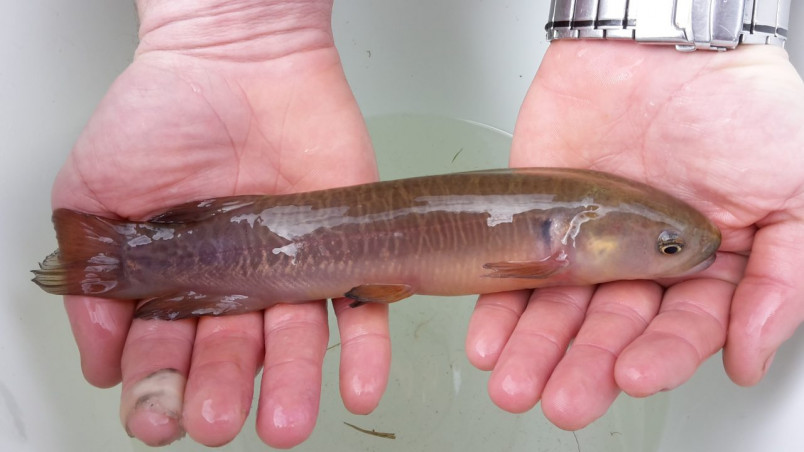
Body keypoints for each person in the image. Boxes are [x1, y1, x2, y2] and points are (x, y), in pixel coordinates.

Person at [54, 0, 804, 448]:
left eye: (673, 249)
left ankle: (137, 261)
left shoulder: (582, 227)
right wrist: (223, 25)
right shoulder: (566, 237)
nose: (683, 255)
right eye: (670, 248)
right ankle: (130, 259)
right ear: (580, 234)